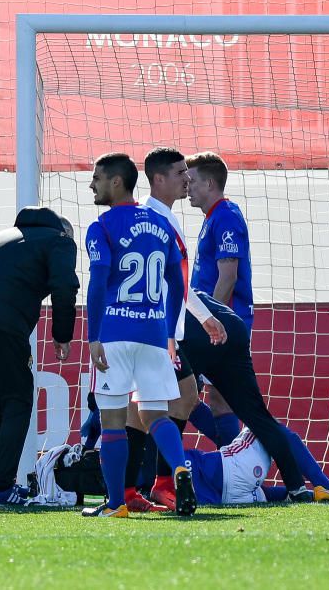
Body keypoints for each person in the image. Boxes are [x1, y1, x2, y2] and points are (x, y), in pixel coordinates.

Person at [82, 152, 194, 518]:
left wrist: (93, 335)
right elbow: (177, 283)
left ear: (116, 182)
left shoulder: (101, 227)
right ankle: (178, 468)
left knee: (113, 421)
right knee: (156, 414)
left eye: (97, 178)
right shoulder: (161, 226)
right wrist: (169, 331)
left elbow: (98, 284)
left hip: (114, 333)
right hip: (152, 333)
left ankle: (116, 504)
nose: (92, 184)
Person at [0, 207, 79, 507]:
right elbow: (64, 287)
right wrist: (62, 334)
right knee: (18, 399)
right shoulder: (60, 240)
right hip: (3, 324)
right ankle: (2, 486)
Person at [132, 147, 227, 511]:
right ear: (159, 179)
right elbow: (174, 282)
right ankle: (151, 483)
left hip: (165, 331)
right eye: (180, 172)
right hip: (153, 332)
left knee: (170, 402)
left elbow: (177, 280)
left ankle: (145, 485)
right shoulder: (151, 219)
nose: (188, 178)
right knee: (145, 410)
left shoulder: (163, 217)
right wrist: (206, 316)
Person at [179, 290, 313, 501]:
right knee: (259, 417)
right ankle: (298, 487)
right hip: (231, 326)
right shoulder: (193, 290)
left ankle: (156, 482)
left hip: (194, 333)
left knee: (171, 409)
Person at [187, 151, 253, 445]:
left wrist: (207, 321)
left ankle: (237, 464)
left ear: (210, 183)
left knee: (201, 398)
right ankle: (234, 462)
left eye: (192, 181)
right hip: (212, 322)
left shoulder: (225, 216)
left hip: (219, 324)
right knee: (202, 398)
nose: (187, 187)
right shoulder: (214, 217)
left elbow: (228, 277)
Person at [186, 426, 329, 505]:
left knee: (265, 493)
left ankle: (314, 495)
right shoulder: (165, 442)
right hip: (231, 467)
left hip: (227, 500)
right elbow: (192, 405)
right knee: (263, 425)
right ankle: (326, 487)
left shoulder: (163, 485)